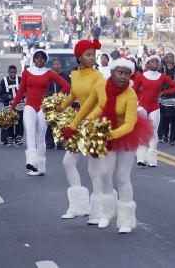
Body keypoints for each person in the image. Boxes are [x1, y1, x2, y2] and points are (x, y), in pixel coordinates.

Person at [63, 58, 153, 232]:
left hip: (125, 134)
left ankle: (126, 220)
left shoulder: (130, 94)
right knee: (104, 173)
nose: (123, 77)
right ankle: (105, 212)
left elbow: (130, 124)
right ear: (112, 72)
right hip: (104, 130)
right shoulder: (100, 87)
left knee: (121, 177)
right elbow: (86, 108)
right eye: (120, 73)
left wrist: (109, 136)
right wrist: (73, 126)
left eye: (127, 74)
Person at [59, 39, 104, 220]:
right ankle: (78, 206)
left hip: (94, 124)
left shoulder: (97, 76)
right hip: (79, 122)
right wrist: (60, 106)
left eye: (94, 54)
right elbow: (73, 94)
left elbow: (102, 102)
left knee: (94, 169)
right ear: (79, 57)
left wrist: (88, 121)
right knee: (67, 162)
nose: (92, 58)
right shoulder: (75, 74)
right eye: (88, 54)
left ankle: (98, 211)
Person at [10, 50, 70, 176]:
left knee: (40, 137)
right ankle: (32, 162)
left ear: (45, 60)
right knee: (30, 132)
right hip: (29, 106)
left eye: (42, 58)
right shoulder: (27, 72)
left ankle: (41, 168)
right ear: (33, 59)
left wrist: (53, 99)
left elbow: (66, 86)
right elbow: (21, 91)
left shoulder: (49, 73)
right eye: (37, 57)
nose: (39, 60)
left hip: (43, 107)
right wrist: (12, 107)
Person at [133, 55, 175, 167]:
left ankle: (152, 159)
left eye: (157, 62)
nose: (155, 64)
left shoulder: (162, 77)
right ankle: (141, 157)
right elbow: (133, 90)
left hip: (154, 107)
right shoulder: (141, 76)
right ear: (148, 63)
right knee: (142, 131)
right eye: (152, 62)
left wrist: (163, 93)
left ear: (159, 64)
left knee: (153, 132)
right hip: (142, 106)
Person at [158, 52, 175, 145]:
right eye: (169, 57)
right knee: (164, 119)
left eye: (172, 56)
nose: (171, 58)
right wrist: (170, 83)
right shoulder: (162, 70)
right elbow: (158, 84)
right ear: (166, 59)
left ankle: (173, 137)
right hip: (164, 98)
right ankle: (164, 135)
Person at [46, 59, 71, 149]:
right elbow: (45, 88)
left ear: (61, 65)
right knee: (50, 122)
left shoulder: (66, 76)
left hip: (62, 103)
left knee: (62, 123)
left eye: (58, 64)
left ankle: (61, 143)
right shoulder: (49, 76)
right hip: (51, 102)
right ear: (52, 65)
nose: (56, 66)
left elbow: (69, 88)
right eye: (54, 64)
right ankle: (49, 143)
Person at [0, 65, 24, 146]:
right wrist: (7, 96)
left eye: (14, 72)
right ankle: (10, 138)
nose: (13, 74)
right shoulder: (4, 81)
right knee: (9, 121)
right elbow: (0, 94)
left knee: (19, 121)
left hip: (20, 105)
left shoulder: (20, 80)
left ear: (16, 72)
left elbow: (26, 90)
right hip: (8, 105)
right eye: (11, 72)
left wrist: (23, 94)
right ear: (8, 72)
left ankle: (18, 138)